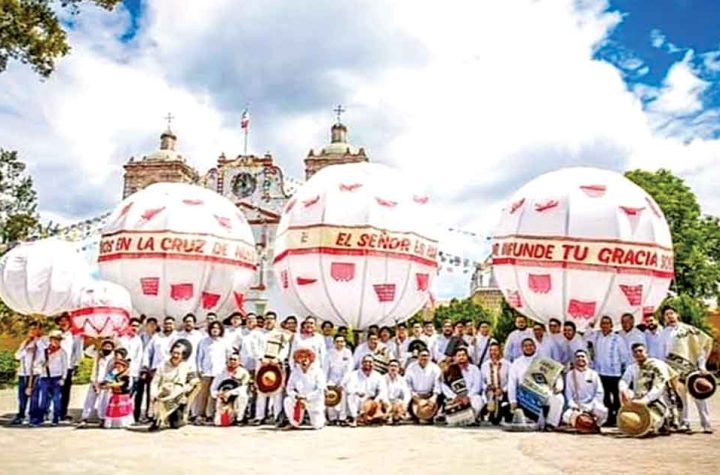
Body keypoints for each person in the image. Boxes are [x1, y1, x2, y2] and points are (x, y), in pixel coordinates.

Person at [661, 305, 713, 433]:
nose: (670, 316)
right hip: (674, 370)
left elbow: (701, 347)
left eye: (671, 313)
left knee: (699, 396)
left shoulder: (689, 330)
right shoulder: (663, 333)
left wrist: (702, 365)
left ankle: (706, 424)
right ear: (664, 318)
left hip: (691, 367)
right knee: (681, 398)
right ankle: (685, 422)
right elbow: (662, 351)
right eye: (667, 314)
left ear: (677, 314)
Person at [619, 342, 675, 436]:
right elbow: (624, 380)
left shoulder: (657, 365)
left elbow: (659, 386)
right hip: (639, 399)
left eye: (640, 351)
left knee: (653, 423)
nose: (638, 353)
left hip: (657, 400)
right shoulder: (632, 367)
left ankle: (663, 421)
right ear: (632, 355)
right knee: (632, 419)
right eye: (635, 352)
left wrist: (645, 400)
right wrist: (624, 391)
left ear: (646, 352)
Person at [508, 338, 564, 430]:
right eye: (525, 346)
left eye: (530, 345)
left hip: (544, 391)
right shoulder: (516, 363)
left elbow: (557, 375)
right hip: (525, 395)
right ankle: (539, 422)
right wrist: (512, 401)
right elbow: (512, 383)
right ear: (522, 348)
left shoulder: (544, 360)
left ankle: (551, 424)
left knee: (559, 398)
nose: (528, 347)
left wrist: (558, 386)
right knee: (538, 424)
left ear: (534, 347)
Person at [149, 340, 199, 431]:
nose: (175, 355)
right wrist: (153, 393)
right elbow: (155, 382)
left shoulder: (188, 366)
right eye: (174, 353)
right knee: (159, 398)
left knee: (175, 425)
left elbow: (194, 382)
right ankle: (158, 419)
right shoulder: (162, 366)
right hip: (163, 392)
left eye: (178, 353)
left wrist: (184, 390)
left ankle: (179, 416)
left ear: (183, 355)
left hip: (179, 395)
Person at [253, 313, 291, 425]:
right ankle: (259, 417)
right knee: (261, 390)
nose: (269, 321)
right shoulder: (258, 334)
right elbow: (255, 348)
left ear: (275, 321)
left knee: (277, 390)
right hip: (262, 364)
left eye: (271, 319)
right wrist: (261, 358)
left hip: (276, 364)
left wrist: (278, 359)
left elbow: (285, 348)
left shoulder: (281, 334)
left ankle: (277, 416)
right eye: (267, 319)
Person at [592, 315, 629, 426]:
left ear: (611, 325)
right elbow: (586, 337)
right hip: (601, 372)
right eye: (603, 323)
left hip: (614, 372)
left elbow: (624, 355)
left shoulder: (617, 338)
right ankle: (609, 418)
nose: (605, 325)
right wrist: (590, 325)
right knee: (605, 396)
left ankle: (618, 417)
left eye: (607, 323)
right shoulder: (597, 336)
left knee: (617, 397)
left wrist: (623, 369)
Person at [196, 321, 232, 425]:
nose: (215, 330)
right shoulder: (203, 341)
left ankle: (211, 415)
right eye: (213, 328)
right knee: (204, 394)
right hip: (206, 371)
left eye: (217, 328)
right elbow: (199, 357)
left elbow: (228, 355)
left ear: (220, 330)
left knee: (215, 394)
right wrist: (200, 369)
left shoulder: (224, 342)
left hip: (219, 372)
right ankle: (200, 415)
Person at [562, 350, 607, 430]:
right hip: (577, 406)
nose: (580, 358)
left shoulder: (594, 374)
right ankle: (581, 426)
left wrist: (591, 405)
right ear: (574, 360)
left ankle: (595, 426)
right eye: (578, 357)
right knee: (566, 416)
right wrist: (574, 406)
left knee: (603, 411)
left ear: (588, 359)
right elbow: (568, 393)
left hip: (592, 405)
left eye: (582, 356)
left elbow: (599, 392)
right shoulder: (570, 374)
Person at [284, 348, 326, 429]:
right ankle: (294, 423)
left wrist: (306, 397)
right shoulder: (295, 371)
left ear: (310, 359)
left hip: (314, 401)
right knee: (287, 400)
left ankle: (320, 420)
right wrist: (296, 396)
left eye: (306, 358)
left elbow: (320, 389)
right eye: (301, 358)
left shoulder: (318, 371)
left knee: (317, 425)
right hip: (299, 400)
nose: (303, 360)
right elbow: (289, 388)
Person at [78, 339, 116, 428]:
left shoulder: (113, 358)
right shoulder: (97, 354)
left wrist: (108, 380)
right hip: (95, 381)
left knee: (103, 402)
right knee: (89, 400)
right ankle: (84, 418)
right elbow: (87, 351)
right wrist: (95, 343)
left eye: (109, 347)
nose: (107, 348)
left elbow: (114, 370)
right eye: (105, 346)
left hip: (105, 383)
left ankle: (102, 419)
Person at [33, 330, 68, 426]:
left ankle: (56, 417)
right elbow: (37, 363)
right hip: (45, 377)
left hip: (57, 377)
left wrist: (63, 378)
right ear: (50, 340)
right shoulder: (44, 351)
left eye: (58, 340)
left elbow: (65, 366)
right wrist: (41, 366)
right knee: (43, 399)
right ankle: (40, 417)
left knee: (56, 399)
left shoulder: (62, 352)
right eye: (54, 339)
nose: (56, 342)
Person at [342, 355, 388, 427]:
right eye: (365, 362)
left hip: (372, 400)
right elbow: (349, 388)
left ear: (374, 364)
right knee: (351, 396)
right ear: (362, 363)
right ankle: (355, 419)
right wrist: (357, 392)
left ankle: (371, 417)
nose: (368, 364)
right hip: (358, 399)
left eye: (370, 362)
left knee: (383, 399)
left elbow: (383, 390)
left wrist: (377, 400)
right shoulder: (354, 374)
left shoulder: (378, 375)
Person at [12, 322, 43, 425]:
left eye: (35, 329)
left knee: (34, 396)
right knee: (22, 396)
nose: (33, 331)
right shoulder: (25, 342)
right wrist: (26, 350)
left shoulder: (42, 342)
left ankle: (33, 417)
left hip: (35, 373)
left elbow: (42, 357)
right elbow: (17, 355)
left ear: (39, 330)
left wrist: (36, 346)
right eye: (31, 329)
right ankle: (21, 415)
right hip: (23, 373)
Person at [441, 346, 483, 423]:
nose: (461, 357)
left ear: (467, 356)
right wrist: (455, 397)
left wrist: (468, 397)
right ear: (455, 358)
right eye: (459, 355)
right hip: (455, 397)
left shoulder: (474, 369)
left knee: (478, 401)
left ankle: (472, 419)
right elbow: (444, 386)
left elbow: (477, 386)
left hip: (471, 396)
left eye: (463, 355)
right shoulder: (449, 370)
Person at [53, 314, 82, 421]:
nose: (63, 322)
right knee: (54, 390)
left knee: (65, 391)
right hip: (54, 366)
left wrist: (76, 364)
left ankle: (63, 413)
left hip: (68, 366)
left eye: (65, 320)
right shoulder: (55, 334)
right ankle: (53, 411)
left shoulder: (75, 335)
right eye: (61, 320)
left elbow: (77, 351)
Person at [211, 352, 251, 426]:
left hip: (236, 397)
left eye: (235, 359)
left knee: (243, 396)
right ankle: (229, 416)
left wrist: (229, 393)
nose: (232, 361)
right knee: (218, 423)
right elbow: (213, 388)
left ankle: (239, 419)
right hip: (223, 399)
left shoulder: (244, 373)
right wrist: (218, 394)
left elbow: (243, 388)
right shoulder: (221, 373)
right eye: (231, 359)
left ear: (239, 361)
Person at [404, 348, 442, 423]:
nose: (424, 358)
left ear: (430, 357)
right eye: (422, 355)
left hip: (430, 395)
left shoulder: (435, 368)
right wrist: (415, 397)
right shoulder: (411, 367)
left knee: (440, 397)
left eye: (426, 356)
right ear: (418, 356)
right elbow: (407, 383)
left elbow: (438, 384)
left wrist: (434, 397)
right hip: (415, 396)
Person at [324, 334, 353, 425]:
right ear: (334, 343)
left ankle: (342, 418)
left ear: (344, 343)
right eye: (337, 341)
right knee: (330, 395)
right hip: (331, 378)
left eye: (342, 341)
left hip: (344, 379)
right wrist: (325, 383)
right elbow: (325, 369)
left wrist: (342, 382)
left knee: (343, 395)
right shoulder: (329, 353)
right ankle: (332, 418)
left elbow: (349, 369)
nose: (339, 343)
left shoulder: (348, 352)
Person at [479, 342, 511, 425]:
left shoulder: (508, 365)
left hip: (503, 393)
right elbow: (482, 381)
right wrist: (488, 388)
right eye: (491, 350)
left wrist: (503, 390)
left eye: (495, 350)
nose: (493, 352)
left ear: (500, 351)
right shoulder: (484, 365)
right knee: (494, 419)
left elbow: (510, 381)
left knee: (504, 411)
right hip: (490, 394)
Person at [135, 317, 158, 422]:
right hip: (141, 369)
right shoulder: (140, 337)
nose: (151, 326)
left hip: (153, 369)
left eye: (154, 325)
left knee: (151, 392)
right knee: (138, 392)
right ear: (146, 325)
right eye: (150, 324)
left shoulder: (158, 338)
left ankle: (149, 414)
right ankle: (136, 414)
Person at [103, 356, 134, 429]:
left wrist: (111, 385)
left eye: (120, 367)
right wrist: (106, 385)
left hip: (122, 396)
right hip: (115, 395)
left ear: (124, 368)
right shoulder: (115, 375)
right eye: (117, 367)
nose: (118, 368)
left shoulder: (125, 376)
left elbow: (122, 384)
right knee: (114, 410)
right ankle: (113, 423)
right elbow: (109, 381)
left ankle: (122, 423)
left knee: (121, 410)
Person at [384, 359, 411, 424]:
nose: (393, 368)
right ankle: (390, 416)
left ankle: (395, 417)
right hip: (385, 402)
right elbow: (382, 394)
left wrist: (405, 403)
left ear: (398, 368)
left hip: (396, 402)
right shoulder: (382, 378)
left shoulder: (402, 379)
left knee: (400, 403)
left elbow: (407, 393)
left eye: (395, 366)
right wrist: (388, 404)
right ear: (388, 367)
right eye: (391, 366)